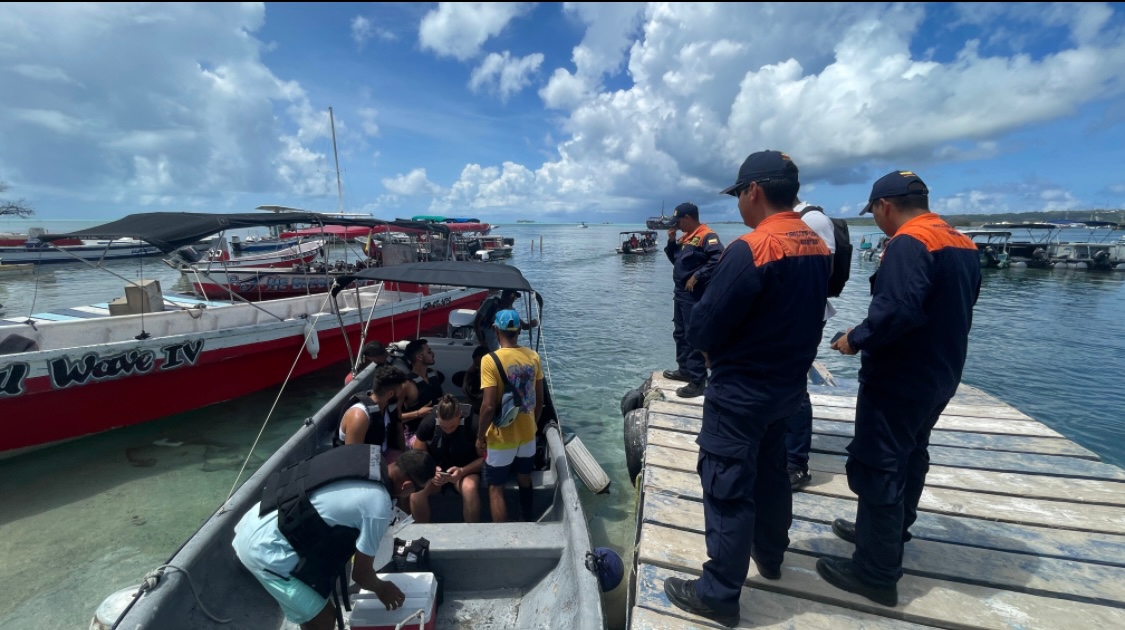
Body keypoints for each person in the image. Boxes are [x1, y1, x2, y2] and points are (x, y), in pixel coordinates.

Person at [662, 151, 830, 628]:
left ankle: (718, 594)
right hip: (787, 387)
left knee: (727, 484)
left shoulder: (752, 247)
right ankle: (772, 556)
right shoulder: (816, 244)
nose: (738, 204)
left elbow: (705, 326)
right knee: (772, 474)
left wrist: (708, 348)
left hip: (741, 391)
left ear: (753, 191)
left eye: (738, 194)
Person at [819, 171, 981, 607]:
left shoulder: (910, 243)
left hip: (900, 379)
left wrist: (856, 338)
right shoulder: (959, 241)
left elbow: (899, 312)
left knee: (880, 464)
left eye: (873, 213)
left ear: (884, 205)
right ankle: (889, 533)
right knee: (912, 455)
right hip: (940, 373)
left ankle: (875, 572)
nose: (875, 221)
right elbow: (951, 304)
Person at [232, 446, 437, 630]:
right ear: (406, 486)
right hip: (265, 549)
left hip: (258, 516)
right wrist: (382, 589)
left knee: (314, 611)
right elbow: (361, 575)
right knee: (324, 619)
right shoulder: (378, 507)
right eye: (418, 489)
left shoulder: (366, 456)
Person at [785, 196, 837, 490]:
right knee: (783, 381)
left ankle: (796, 463)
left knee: (795, 386)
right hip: (787, 316)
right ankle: (785, 448)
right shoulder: (791, 220)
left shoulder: (811, 219)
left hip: (803, 316)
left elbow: (821, 271)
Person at [477, 308, 543, 523]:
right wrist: (533, 425)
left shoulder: (489, 360)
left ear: (497, 331)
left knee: (495, 487)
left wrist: (480, 437)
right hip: (528, 435)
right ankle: (526, 520)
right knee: (525, 478)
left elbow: (488, 406)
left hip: (501, 436)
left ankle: (502, 537)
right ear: (518, 332)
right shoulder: (533, 357)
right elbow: (540, 400)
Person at [662, 201, 724, 398]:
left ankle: (698, 381)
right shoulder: (687, 238)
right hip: (680, 293)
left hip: (695, 295)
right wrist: (671, 242)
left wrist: (698, 276)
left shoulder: (707, 236)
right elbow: (677, 261)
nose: (677, 225)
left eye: (678, 222)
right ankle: (685, 370)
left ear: (687, 218)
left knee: (693, 334)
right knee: (680, 333)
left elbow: (718, 258)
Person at [411, 394, 484, 523]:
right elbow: (418, 455)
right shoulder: (428, 424)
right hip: (437, 472)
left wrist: (462, 471)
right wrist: (432, 470)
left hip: (465, 471)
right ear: (437, 417)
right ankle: (422, 534)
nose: (448, 430)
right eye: (444, 427)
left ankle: (473, 534)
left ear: (459, 415)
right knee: (416, 494)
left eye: (452, 426)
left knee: (469, 488)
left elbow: (485, 458)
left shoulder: (474, 424)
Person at [337, 365, 407, 460]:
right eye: (400, 389)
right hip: (365, 463)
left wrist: (404, 455)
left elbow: (399, 431)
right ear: (390, 394)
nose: (402, 393)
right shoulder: (359, 416)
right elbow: (352, 458)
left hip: (383, 454)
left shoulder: (391, 406)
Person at [400, 339, 443, 446]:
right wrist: (418, 413)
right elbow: (394, 417)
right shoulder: (407, 385)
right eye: (429, 352)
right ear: (419, 357)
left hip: (439, 426)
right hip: (416, 432)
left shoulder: (433, 375)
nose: (433, 354)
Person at [474, 290, 539, 351]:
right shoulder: (491, 303)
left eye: (514, 298)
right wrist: (481, 341)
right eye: (512, 297)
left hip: (494, 339)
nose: (513, 300)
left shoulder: (511, 310)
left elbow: (524, 326)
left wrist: (534, 323)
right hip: (481, 335)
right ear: (504, 297)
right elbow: (477, 322)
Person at [462, 346, 489, 416]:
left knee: (463, 407)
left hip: (486, 403)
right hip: (475, 399)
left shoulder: (491, 372)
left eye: (479, 363)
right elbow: (469, 372)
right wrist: (465, 384)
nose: (478, 366)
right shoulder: (476, 366)